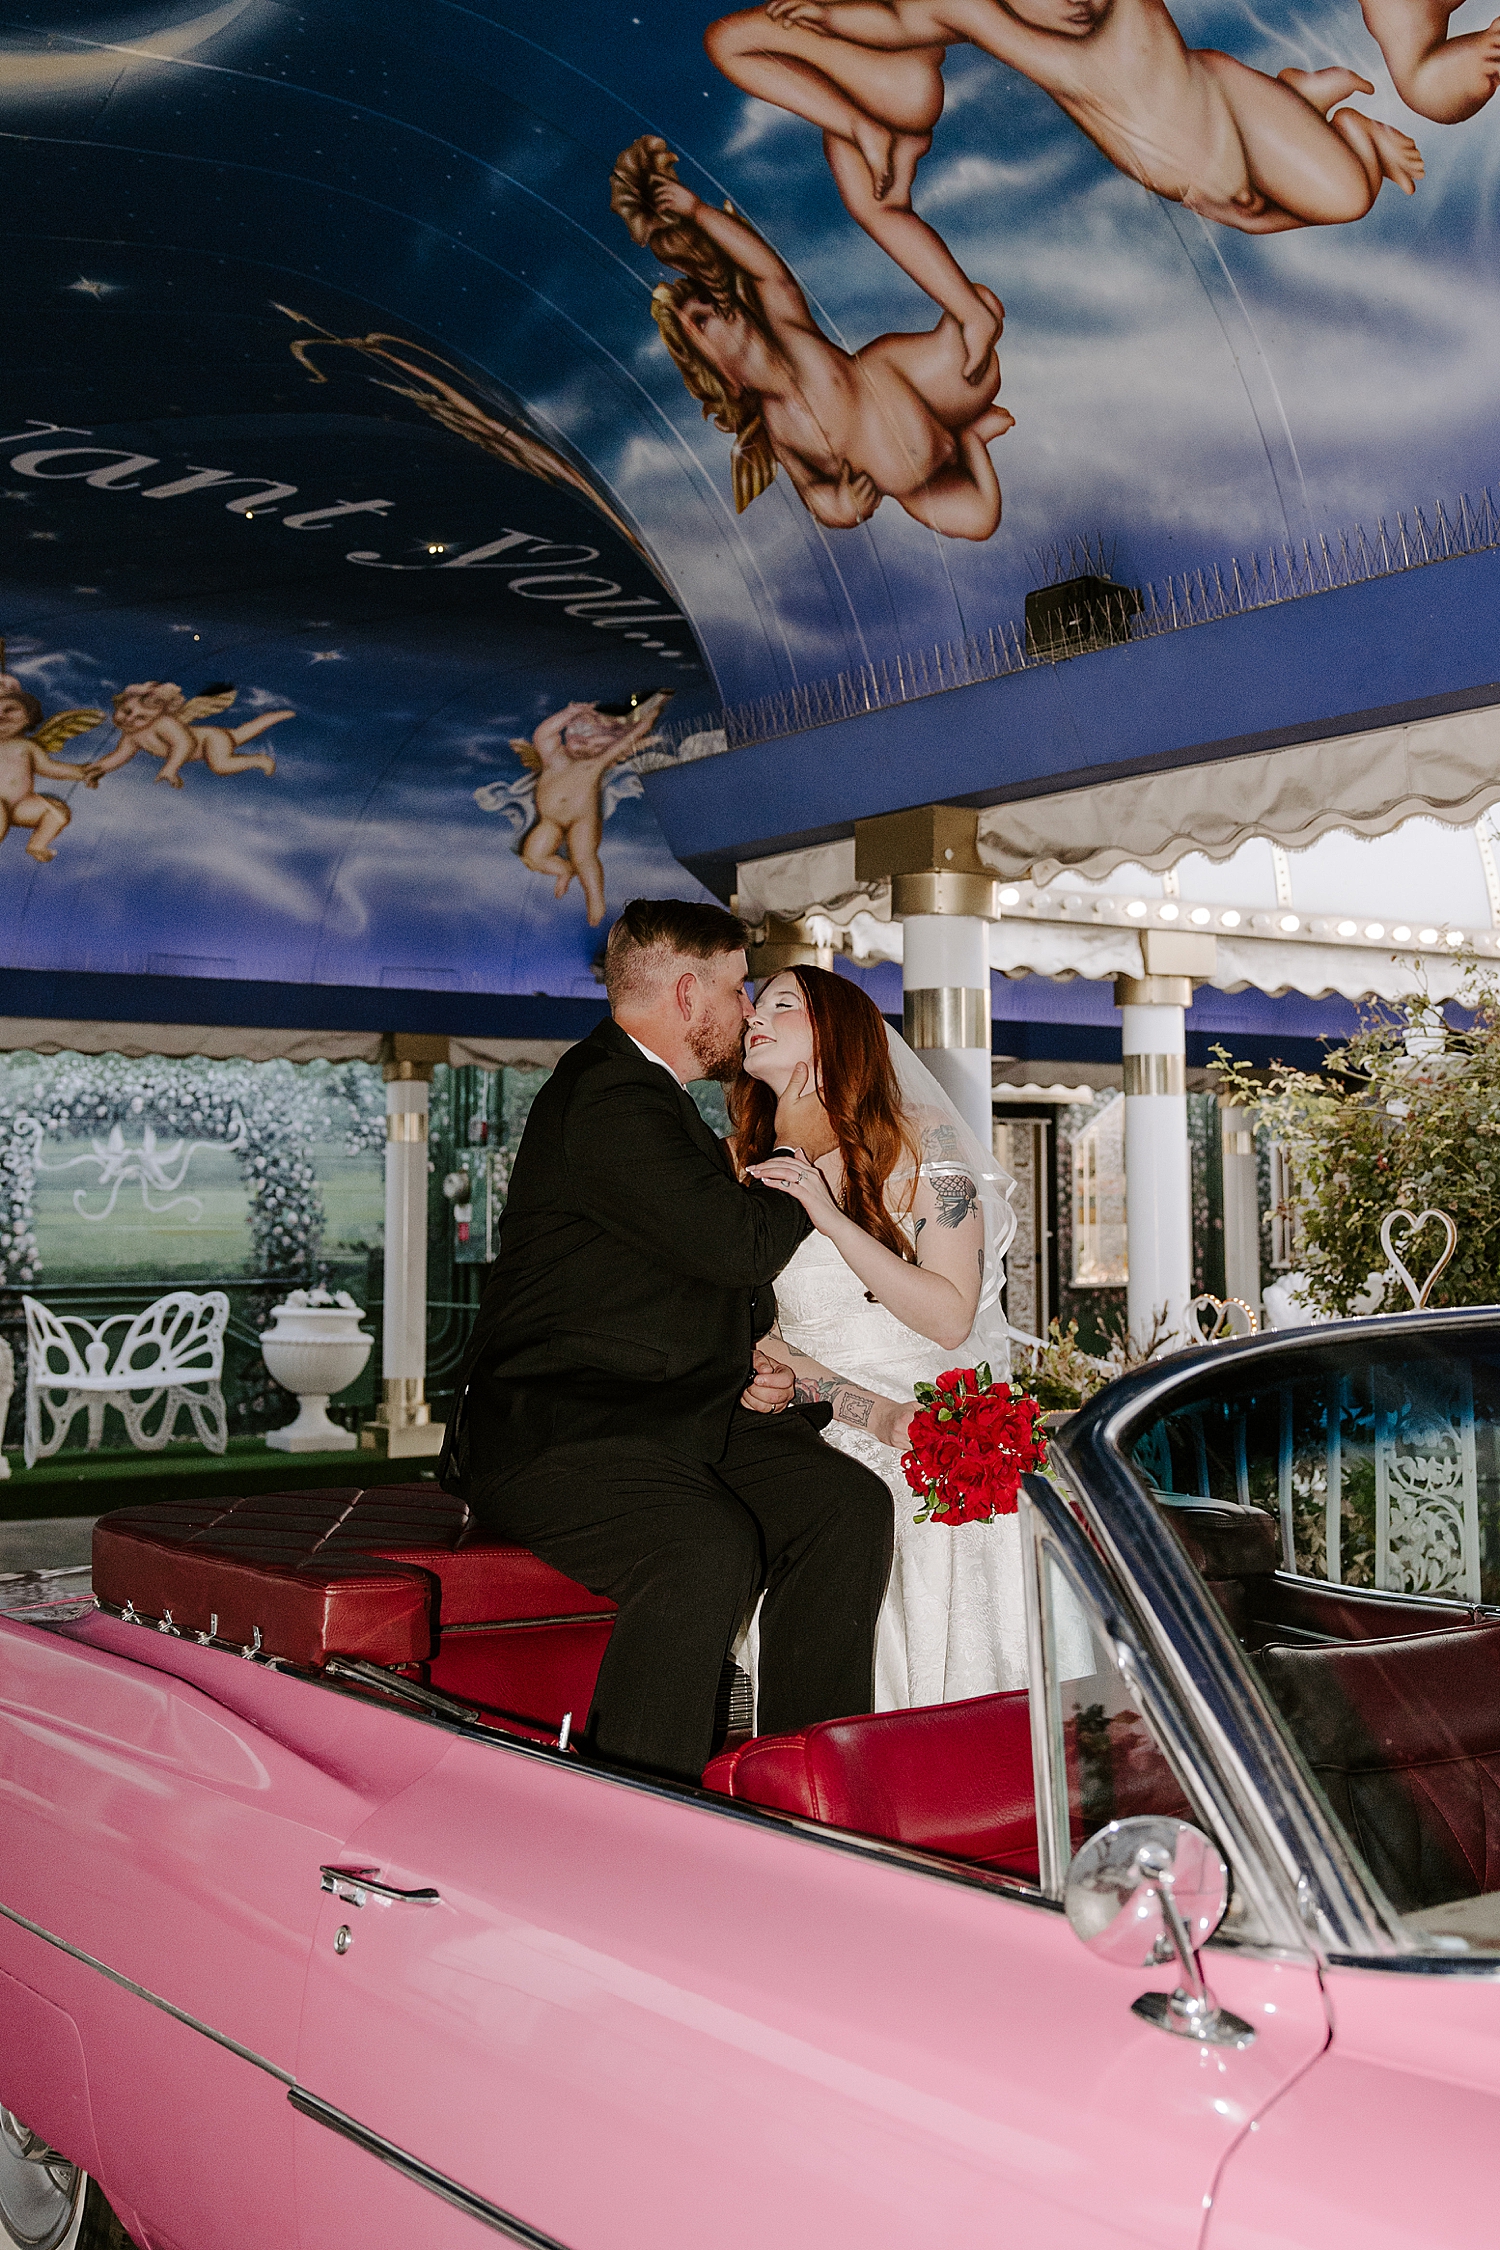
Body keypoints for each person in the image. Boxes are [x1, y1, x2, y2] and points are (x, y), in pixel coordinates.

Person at [452, 898, 894, 1784]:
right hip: (564, 1425)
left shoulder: (650, 1099)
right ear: (689, 991)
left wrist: (752, 1374)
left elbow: (686, 1281)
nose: (743, 1013)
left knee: (845, 1510)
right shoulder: (609, 1094)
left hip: (669, 1412)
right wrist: (812, 1167)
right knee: (702, 1549)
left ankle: (800, 1785)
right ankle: (641, 1808)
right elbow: (737, 1247)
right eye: (737, 990)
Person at [732, 965, 1029, 1708]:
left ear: (837, 1034)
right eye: (754, 1005)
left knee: (948, 1517)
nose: (754, 1018)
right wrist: (873, 1416)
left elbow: (950, 1315)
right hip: (819, 1417)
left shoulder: (921, 1139)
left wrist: (831, 1218)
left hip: (936, 1409)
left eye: (783, 1005)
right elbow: (748, 1335)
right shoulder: (736, 1163)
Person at [709, 0, 1422, 252]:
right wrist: (831, 19)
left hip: (1225, 102)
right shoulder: (981, 13)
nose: (1078, 2)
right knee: (1243, 211)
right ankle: (1301, 98)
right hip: (1201, 181)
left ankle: (1340, 126)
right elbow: (898, 20)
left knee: (1350, 199)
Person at [610, 137, 1012, 538]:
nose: (710, 307)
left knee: (980, 309)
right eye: (699, 321)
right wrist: (843, 506)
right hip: (915, 481)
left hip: (912, 385)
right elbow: (812, 493)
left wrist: (697, 211)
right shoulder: (780, 427)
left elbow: (768, 272)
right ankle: (970, 438)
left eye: (705, 300)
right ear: (724, 377)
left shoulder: (787, 329)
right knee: (978, 519)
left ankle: (963, 412)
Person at [513, 691, 672, 927]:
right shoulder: (555, 759)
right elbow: (543, 734)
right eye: (579, 739)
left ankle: (596, 901)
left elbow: (628, 740)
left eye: (591, 741)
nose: (584, 744)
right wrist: (571, 712)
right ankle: (564, 871)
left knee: (585, 858)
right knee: (534, 857)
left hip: (582, 819)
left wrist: (652, 714)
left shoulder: (597, 763)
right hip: (550, 820)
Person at [83, 682, 291, 789]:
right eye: (126, 711)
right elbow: (120, 755)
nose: (130, 720)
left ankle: (257, 759)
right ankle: (274, 720)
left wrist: (170, 769)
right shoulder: (133, 735)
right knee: (238, 739)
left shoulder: (164, 723)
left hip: (212, 740)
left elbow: (184, 744)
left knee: (220, 765)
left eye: (141, 718)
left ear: (158, 717)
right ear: (119, 704)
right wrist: (98, 769)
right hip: (208, 743)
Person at [0, 673, 102, 862]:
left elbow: (50, 768)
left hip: (21, 805)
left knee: (57, 812)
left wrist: (81, 772)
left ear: (28, 717)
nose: (1, 716)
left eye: (10, 710)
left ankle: (37, 844)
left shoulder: (28, 747)